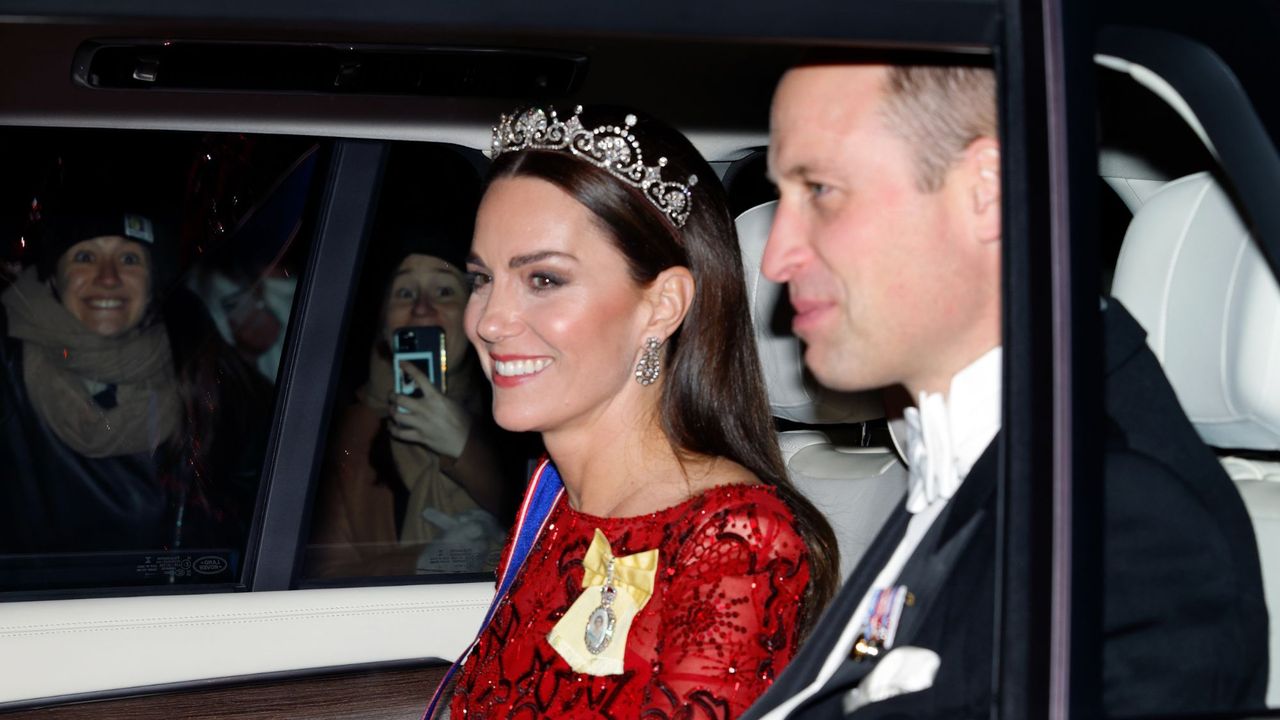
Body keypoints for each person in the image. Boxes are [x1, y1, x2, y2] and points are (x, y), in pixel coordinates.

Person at [740, 63, 1268, 719]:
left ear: (985, 190)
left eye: (820, 189)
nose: (774, 256)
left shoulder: (1129, 529)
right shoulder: (972, 456)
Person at [438, 105, 839, 719]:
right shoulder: (553, 507)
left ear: (662, 306)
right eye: (481, 278)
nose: (489, 321)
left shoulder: (735, 542)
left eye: (543, 280)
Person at [0, 181, 268, 576]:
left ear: (153, 279)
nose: (108, 277)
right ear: (54, 277)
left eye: (129, 259)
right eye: (86, 256)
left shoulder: (201, 361)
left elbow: (263, 494)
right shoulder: (8, 366)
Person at [307, 147, 515, 578]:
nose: (422, 309)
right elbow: (321, 576)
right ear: (383, 325)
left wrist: (465, 445)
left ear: (474, 313)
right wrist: (425, 562)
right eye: (404, 293)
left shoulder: (518, 412)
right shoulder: (349, 432)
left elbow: (561, 528)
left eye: (444, 292)